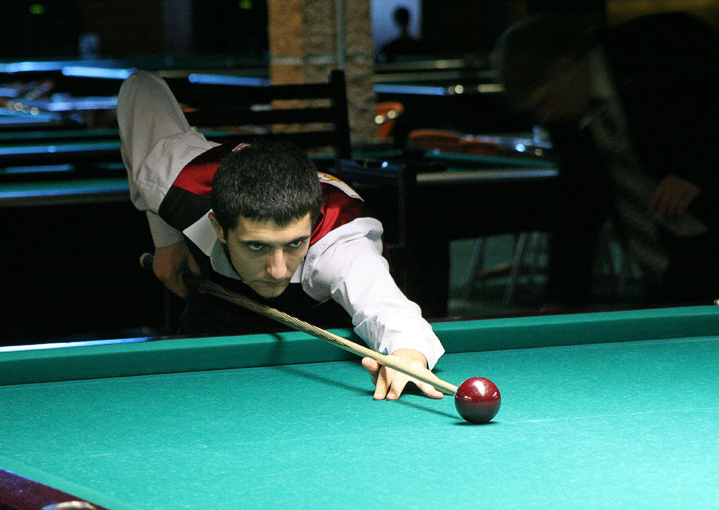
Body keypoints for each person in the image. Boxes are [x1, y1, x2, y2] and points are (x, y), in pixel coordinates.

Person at [117, 71, 445, 401]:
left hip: (320, 336)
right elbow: (141, 88)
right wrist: (167, 240)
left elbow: (387, 307)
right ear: (218, 227)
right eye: (256, 245)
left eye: (294, 244)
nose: (277, 269)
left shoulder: (340, 243)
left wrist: (407, 353)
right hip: (215, 310)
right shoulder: (178, 181)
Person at [492, 11, 719, 307]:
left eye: (544, 100)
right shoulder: (566, 112)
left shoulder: (665, 45)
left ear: (567, 66)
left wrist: (698, 173)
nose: (544, 116)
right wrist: (561, 301)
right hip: (670, 265)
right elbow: (578, 205)